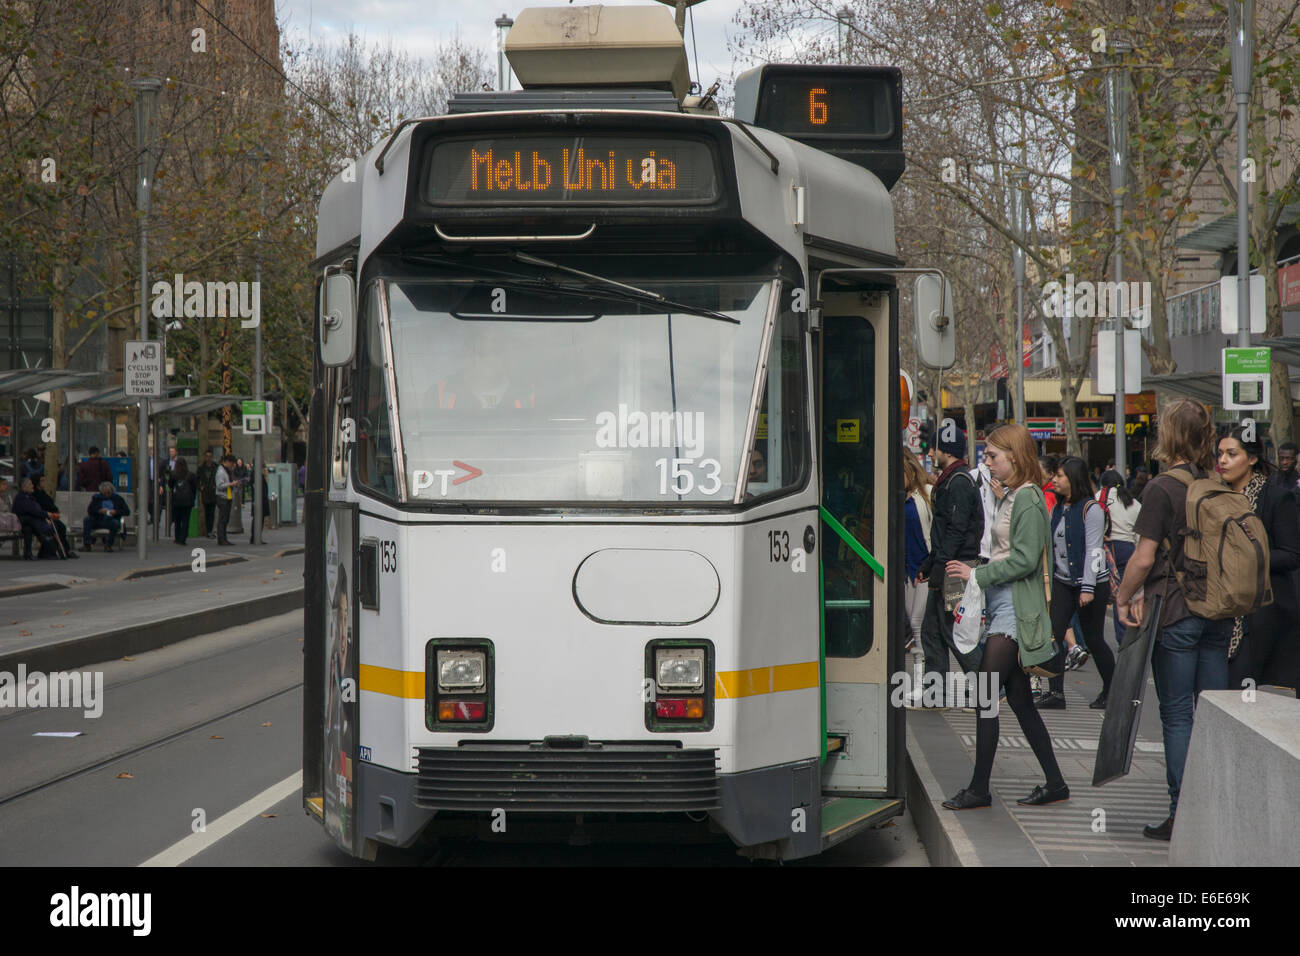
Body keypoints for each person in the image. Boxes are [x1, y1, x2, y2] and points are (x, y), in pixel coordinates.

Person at [1114, 398, 1229, 842]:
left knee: (1178, 714)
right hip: (1217, 615)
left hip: (1177, 612)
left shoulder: (1162, 488)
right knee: (1211, 714)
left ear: (1170, 435)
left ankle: (1182, 815)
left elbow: (1143, 559)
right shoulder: (1215, 482)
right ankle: (1215, 808)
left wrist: (1123, 597)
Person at [942, 424, 1068, 809]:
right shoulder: (1016, 496)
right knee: (1019, 701)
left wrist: (975, 574)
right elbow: (1008, 547)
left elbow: (1025, 559)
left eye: (993, 455)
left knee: (985, 694)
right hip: (1003, 607)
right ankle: (1056, 783)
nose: (987, 461)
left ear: (1015, 456)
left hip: (1014, 610)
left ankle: (980, 789)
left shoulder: (1028, 499)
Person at [1218, 427, 1300, 699]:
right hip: (1219, 612)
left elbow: (1291, 555)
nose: (1223, 461)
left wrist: (1246, 557)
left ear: (1252, 459)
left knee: (1246, 700)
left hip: (1262, 616)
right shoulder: (1215, 498)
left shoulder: (1276, 497)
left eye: (1232, 454)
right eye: (1220, 454)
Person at [1036, 457, 1113, 710]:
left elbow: (1094, 550)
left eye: (1059, 476)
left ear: (1073, 478)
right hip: (1062, 582)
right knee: (1054, 635)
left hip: (1089, 584)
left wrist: (1088, 588)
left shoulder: (1091, 509)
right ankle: (1056, 694)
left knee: (1093, 639)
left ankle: (1112, 690)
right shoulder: (1058, 507)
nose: (1054, 480)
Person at [916, 422, 985, 700]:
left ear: (945, 450)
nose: (930, 453)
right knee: (933, 630)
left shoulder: (957, 483)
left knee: (953, 630)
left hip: (956, 568)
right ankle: (936, 692)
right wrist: (929, 564)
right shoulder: (954, 480)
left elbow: (955, 531)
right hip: (951, 565)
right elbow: (946, 532)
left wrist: (939, 567)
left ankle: (987, 687)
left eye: (934, 448)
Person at [1099, 469, 1142, 646]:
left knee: (1104, 592)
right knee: (1125, 594)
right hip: (1129, 549)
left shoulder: (1099, 497)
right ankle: (1125, 637)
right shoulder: (1134, 502)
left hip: (1107, 549)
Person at [903, 448, 933, 658]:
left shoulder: (928, 493)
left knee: (916, 623)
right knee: (913, 623)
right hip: (907, 570)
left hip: (925, 568)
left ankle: (923, 672)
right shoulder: (896, 498)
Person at [31, 474, 77, 558]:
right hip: (43, 517)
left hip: (50, 516)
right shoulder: (35, 494)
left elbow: (50, 503)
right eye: (42, 481)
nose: (44, 483)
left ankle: (64, 549)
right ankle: (61, 550)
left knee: (61, 527)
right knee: (56, 528)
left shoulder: (43, 493)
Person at [13, 478, 60, 559]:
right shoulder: (22, 498)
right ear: (24, 487)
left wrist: (46, 516)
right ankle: (44, 542)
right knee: (34, 526)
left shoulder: (30, 497)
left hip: (30, 522)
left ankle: (30, 553)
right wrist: (46, 515)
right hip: (22, 521)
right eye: (30, 485)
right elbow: (32, 510)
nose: (32, 486)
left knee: (29, 528)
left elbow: (36, 510)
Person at [84, 480, 130, 552]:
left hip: (111, 519)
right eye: (104, 493)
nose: (106, 495)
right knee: (87, 520)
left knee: (115, 524)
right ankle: (87, 544)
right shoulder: (97, 498)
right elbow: (90, 510)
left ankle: (108, 544)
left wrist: (116, 512)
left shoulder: (118, 499)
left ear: (112, 491)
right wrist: (99, 511)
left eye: (108, 493)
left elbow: (127, 511)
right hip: (98, 519)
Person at [169, 457, 197, 546]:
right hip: (187, 501)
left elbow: (170, 485)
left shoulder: (173, 474)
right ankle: (183, 539)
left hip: (176, 500)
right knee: (185, 520)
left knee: (177, 520)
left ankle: (177, 538)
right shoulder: (190, 475)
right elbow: (194, 488)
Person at [215, 454, 237, 545]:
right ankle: (221, 538)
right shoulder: (221, 472)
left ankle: (224, 538)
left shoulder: (226, 471)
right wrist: (230, 484)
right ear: (227, 462)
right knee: (223, 519)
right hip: (222, 497)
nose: (232, 466)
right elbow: (219, 486)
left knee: (225, 518)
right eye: (231, 463)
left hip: (227, 496)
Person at [197, 450, 218, 537]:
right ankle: (208, 530)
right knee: (207, 512)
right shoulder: (201, 468)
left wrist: (215, 486)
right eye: (207, 456)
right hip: (205, 492)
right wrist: (200, 487)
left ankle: (210, 530)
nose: (208, 458)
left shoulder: (215, 467)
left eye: (210, 456)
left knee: (212, 513)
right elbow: (197, 480)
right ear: (205, 457)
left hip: (213, 493)